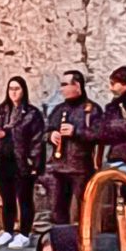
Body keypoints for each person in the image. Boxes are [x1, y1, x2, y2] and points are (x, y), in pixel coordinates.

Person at [0, 76, 46, 247]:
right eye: (11, 89)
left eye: (17, 88)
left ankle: (24, 233)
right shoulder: (1, 112)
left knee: (24, 197)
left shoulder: (31, 114)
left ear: (23, 91)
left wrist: (34, 161)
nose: (14, 92)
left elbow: (37, 139)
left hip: (22, 161)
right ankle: (7, 230)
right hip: (2, 161)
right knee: (6, 198)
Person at [41, 70, 98, 234]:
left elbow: (99, 135)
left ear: (77, 86)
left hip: (80, 167)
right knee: (57, 210)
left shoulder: (91, 110)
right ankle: (60, 243)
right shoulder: (59, 109)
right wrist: (51, 135)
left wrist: (76, 132)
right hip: (58, 167)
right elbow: (45, 132)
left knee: (80, 211)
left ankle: (81, 246)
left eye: (65, 85)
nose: (62, 89)